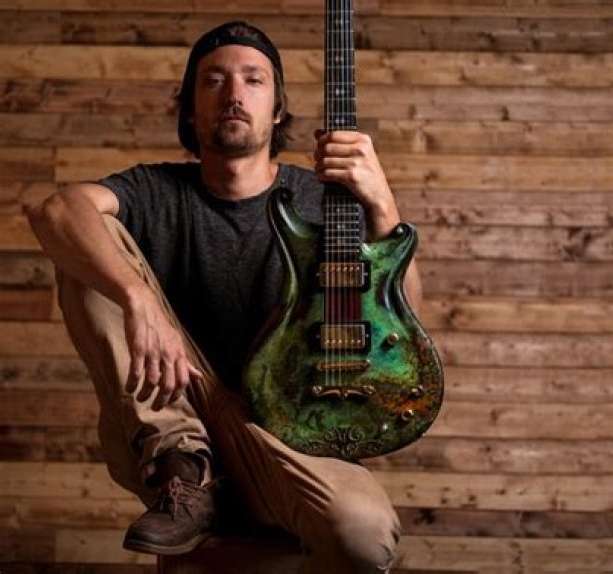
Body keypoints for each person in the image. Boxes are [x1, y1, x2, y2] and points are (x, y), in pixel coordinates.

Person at [28, 21, 422, 573]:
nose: (234, 94)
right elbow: (54, 210)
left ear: (278, 109)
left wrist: (382, 205)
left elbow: (406, 324)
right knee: (86, 241)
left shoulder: (326, 203)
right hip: (183, 413)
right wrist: (138, 299)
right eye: (214, 80)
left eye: (253, 80)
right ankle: (184, 467)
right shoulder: (156, 191)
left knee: (364, 533)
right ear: (190, 110)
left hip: (286, 439)